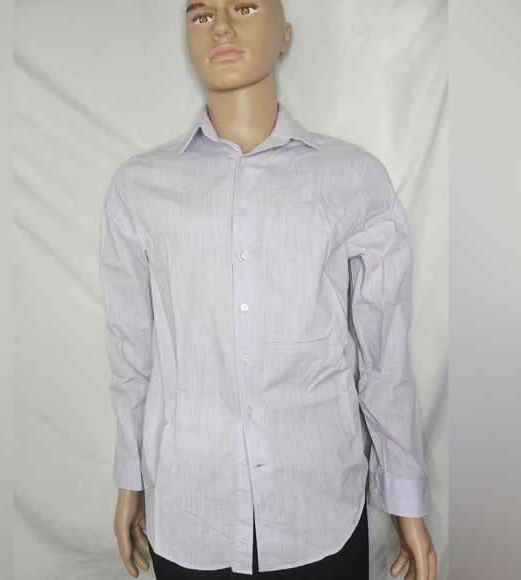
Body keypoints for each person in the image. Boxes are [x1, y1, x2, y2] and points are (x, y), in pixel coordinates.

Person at [100, 1, 437, 578]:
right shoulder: (139, 188)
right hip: (190, 507)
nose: (221, 26)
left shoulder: (353, 178)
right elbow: (132, 353)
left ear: (284, 34)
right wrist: (131, 480)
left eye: (245, 6)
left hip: (320, 510)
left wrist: (405, 500)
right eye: (200, 15)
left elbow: (385, 356)